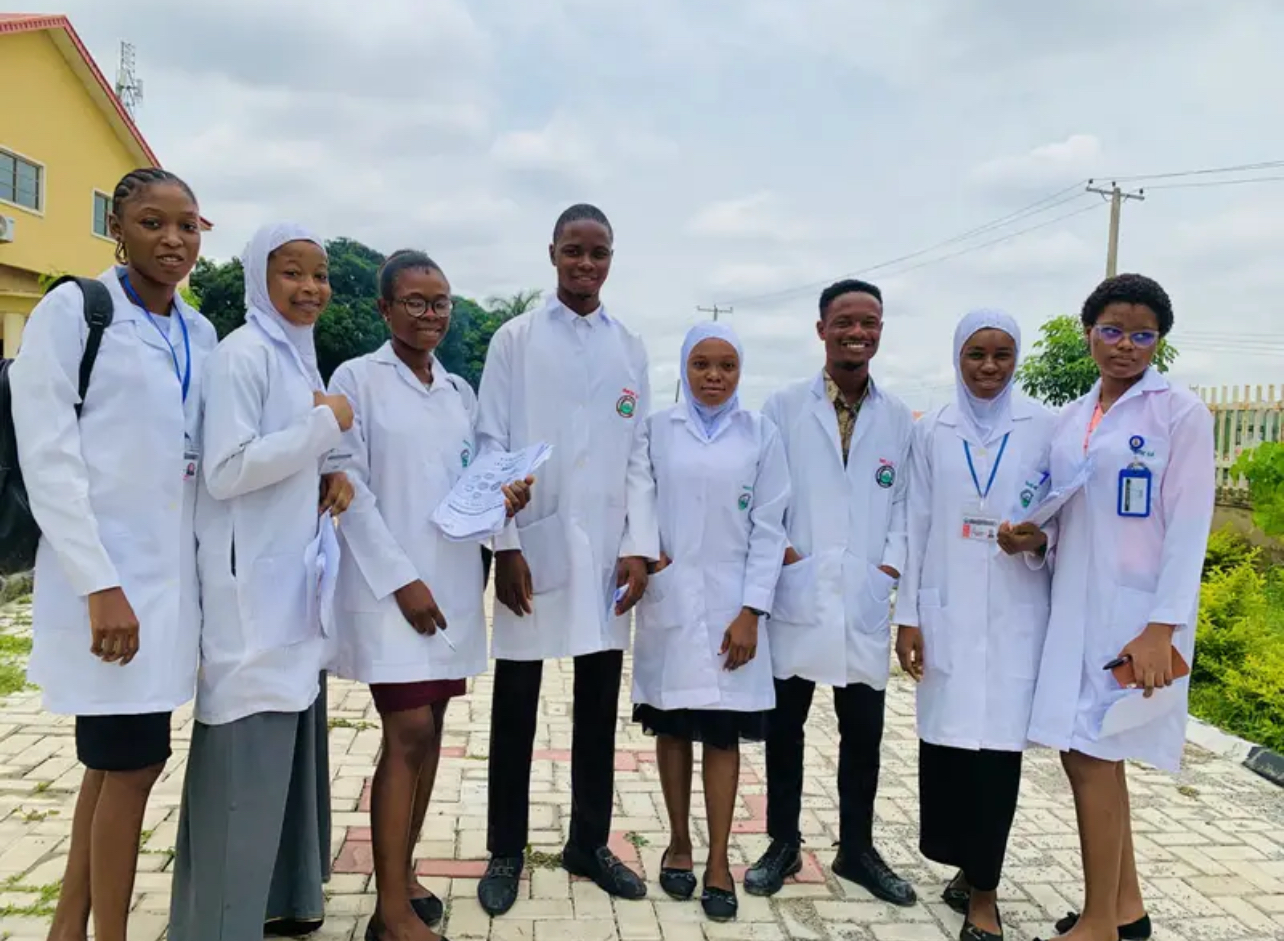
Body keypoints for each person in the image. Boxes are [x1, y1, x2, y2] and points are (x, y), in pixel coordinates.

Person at [9, 168, 216, 941]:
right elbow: (49, 458)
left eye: (188, 225)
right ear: (117, 230)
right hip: (105, 584)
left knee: (116, 764)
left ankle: (69, 927)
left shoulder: (198, 331)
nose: (173, 239)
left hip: (169, 587)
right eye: (153, 222)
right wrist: (99, 583)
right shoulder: (76, 311)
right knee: (130, 765)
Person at [1001, 275, 1213, 941]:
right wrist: (1036, 540)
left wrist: (1161, 628)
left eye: (1143, 335)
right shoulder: (1072, 417)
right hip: (1074, 605)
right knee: (1091, 754)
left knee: (1091, 755)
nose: (1126, 346)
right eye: (1113, 331)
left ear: (1159, 342)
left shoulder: (1179, 413)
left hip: (1136, 618)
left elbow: (1189, 529)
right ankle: (1126, 910)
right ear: (1089, 331)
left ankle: (1097, 923)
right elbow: (1070, 512)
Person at [328, 250, 532, 941]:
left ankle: (403, 874)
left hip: (451, 585)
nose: (430, 315)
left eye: (440, 302)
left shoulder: (457, 392)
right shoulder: (357, 379)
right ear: (384, 308)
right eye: (414, 302)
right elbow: (350, 491)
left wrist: (504, 503)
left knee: (432, 730)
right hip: (393, 588)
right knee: (408, 731)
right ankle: (388, 914)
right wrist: (402, 581)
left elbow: (469, 487)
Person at [169, 223, 355, 941]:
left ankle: (282, 898)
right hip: (249, 591)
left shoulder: (296, 355)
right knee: (244, 754)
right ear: (259, 279)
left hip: (290, 586)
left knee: (287, 738)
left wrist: (330, 474)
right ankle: (220, 923)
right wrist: (322, 429)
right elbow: (227, 469)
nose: (310, 287)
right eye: (292, 272)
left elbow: (293, 454)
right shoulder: (243, 354)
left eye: (319, 274)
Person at [475, 204, 659, 915]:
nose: (586, 264)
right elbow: (492, 443)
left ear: (612, 258)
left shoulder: (629, 347)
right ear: (551, 252)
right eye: (574, 251)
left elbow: (638, 453)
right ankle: (505, 848)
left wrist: (638, 545)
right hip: (534, 540)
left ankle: (588, 842)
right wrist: (507, 545)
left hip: (607, 551)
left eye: (599, 252)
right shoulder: (516, 340)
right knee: (516, 706)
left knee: (597, 708)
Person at [750, 279, 916, 905]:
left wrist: (887, 569)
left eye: (869, 323)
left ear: (881, 331)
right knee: (784, 727)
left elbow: (905, 505)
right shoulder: (783, 407)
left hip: (864, 593)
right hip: (798, 589)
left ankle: (858, 849)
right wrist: (790, 560)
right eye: (845, 321)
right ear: (821, 329)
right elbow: (765, 496)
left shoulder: (897, 417)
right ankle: (782, 843)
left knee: (864, 732)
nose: (857, 333)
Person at [894, 310, 1056, 941]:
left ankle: (985, 894)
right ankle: (965, 865)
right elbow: (914, 523)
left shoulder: (1043, 426)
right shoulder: (932, 429)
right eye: (976, 354)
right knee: (951, 753)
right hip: (948, 611)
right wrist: (908, 617)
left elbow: (1063, 517)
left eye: (1002, 354)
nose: (989, 367)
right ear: (957, 356)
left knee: (997, 759)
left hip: (1016, 612)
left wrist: (1036, 543)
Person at [632, 322, 789, 922]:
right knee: (673, 728)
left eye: (727, 365)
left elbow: (771, 526)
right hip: (672, 599)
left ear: (741, 371)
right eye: (701, 364)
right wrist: (650, 555)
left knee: (723, 735)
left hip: (733, 607)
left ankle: (719, 860)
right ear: (684, 368)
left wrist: (752, 610)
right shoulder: (658, 429)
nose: (714, 376)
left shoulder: (760, 433)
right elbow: (638, 498)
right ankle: (679, 843)